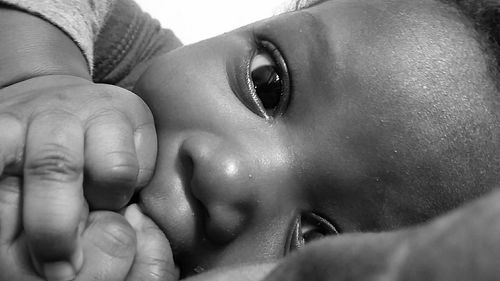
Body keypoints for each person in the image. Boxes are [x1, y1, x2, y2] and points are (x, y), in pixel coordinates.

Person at [0, 0, 500, 280]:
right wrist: (37, 74)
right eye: (267, 84)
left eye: (315, 237)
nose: (225, 177)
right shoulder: (128, 65)